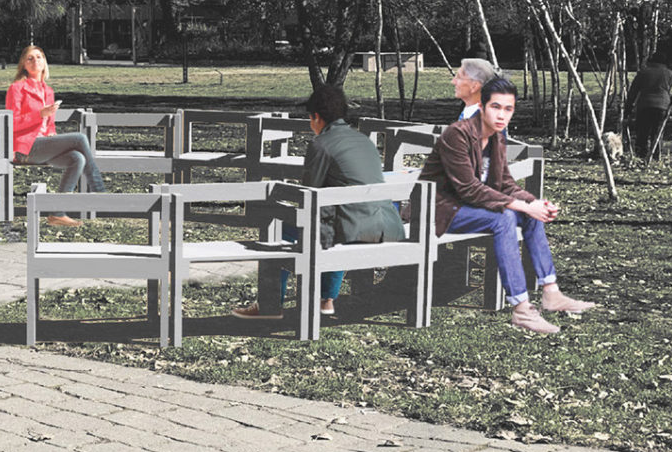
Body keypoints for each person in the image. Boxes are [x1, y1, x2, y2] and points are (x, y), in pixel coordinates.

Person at [418, 76, 595, 336]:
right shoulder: (457, 134)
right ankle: (522, 309)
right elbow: (467, 188)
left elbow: (505, 183)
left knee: (529, 214)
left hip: (469, 208)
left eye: (508, 109)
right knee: (504, 218)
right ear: (482, 107)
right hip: (440, 209)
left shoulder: (497, 137)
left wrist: (534, 202)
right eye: (496, 107)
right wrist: (522, 206)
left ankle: (551, 293)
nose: (502, 115)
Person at [233, 84, 404, 320]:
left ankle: (270, 306)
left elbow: (308, 193)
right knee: (335, 222)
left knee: (280, 230)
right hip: (385, 225)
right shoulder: (365, 141)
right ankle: (326, 300)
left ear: (315, 117)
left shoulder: (321, 144)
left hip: (354, 227)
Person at [5, 44, 106, 228]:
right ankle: (99, 190)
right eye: (30, 58)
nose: (35, 60)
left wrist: (51, 132)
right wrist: (39, 114)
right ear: (24, 65)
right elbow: (12, 124)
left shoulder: (48, 91)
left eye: (39, 57)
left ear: (44, 62)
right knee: (80, 139)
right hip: (25, 148)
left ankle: (57, 214)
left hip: (43, 146)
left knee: (77, 158)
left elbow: (49, 126)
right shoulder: (17, 89)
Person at [625, 55, 672, 163]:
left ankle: (640, 157)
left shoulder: (643, 73)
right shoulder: (669, 73)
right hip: (662, 106)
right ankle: (655, 157)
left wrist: (628, 109)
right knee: (657, 133)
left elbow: (633, 92)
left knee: (642, 133)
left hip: (644, 105)